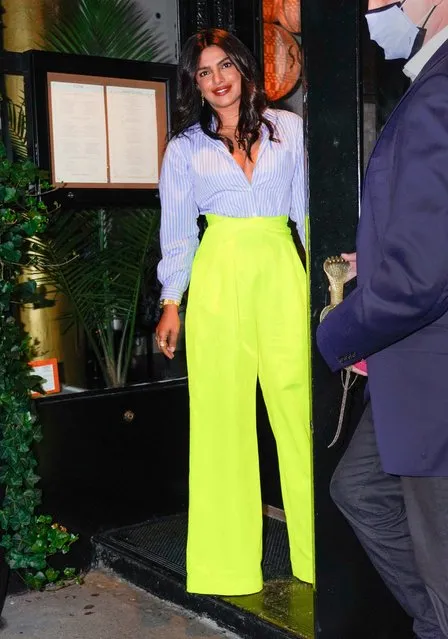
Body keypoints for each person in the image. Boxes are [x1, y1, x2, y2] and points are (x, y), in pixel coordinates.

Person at [155, 28, 313, 596]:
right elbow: (177, 234)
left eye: (224, 66)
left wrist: (329, 291)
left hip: (279, 274)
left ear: (244, 70)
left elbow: (306, 217)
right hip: (217, 278)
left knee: (299, 415)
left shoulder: (291, 131)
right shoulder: (184, 148)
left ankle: (319, 557)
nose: (217, 80)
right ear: (194, 84)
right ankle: (225, 565)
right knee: (220, 421)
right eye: (204, 72)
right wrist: (173, 301)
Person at [317, 1, 448, 637]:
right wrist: (372, 264)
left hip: (432, 371)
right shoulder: (431, 83)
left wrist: (333, 334)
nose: (370, 9)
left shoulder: (439, 92)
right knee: (360, 488)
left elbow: (422, 278)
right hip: (415, 362)